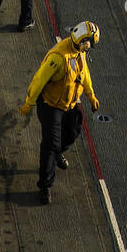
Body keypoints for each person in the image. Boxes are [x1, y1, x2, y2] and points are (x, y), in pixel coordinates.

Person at [19, 21, 100, 204]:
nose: (89, 47)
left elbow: (84, 73)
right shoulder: (59, 57)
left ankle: (58, 152)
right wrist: (29, 104)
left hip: (69, 105)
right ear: (84, 41)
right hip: (50, 106)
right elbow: (39, 80)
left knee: (74, 129)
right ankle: (45, 186)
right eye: (90, 43)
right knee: (49, 144)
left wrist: (91, 95)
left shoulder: (79, 52)